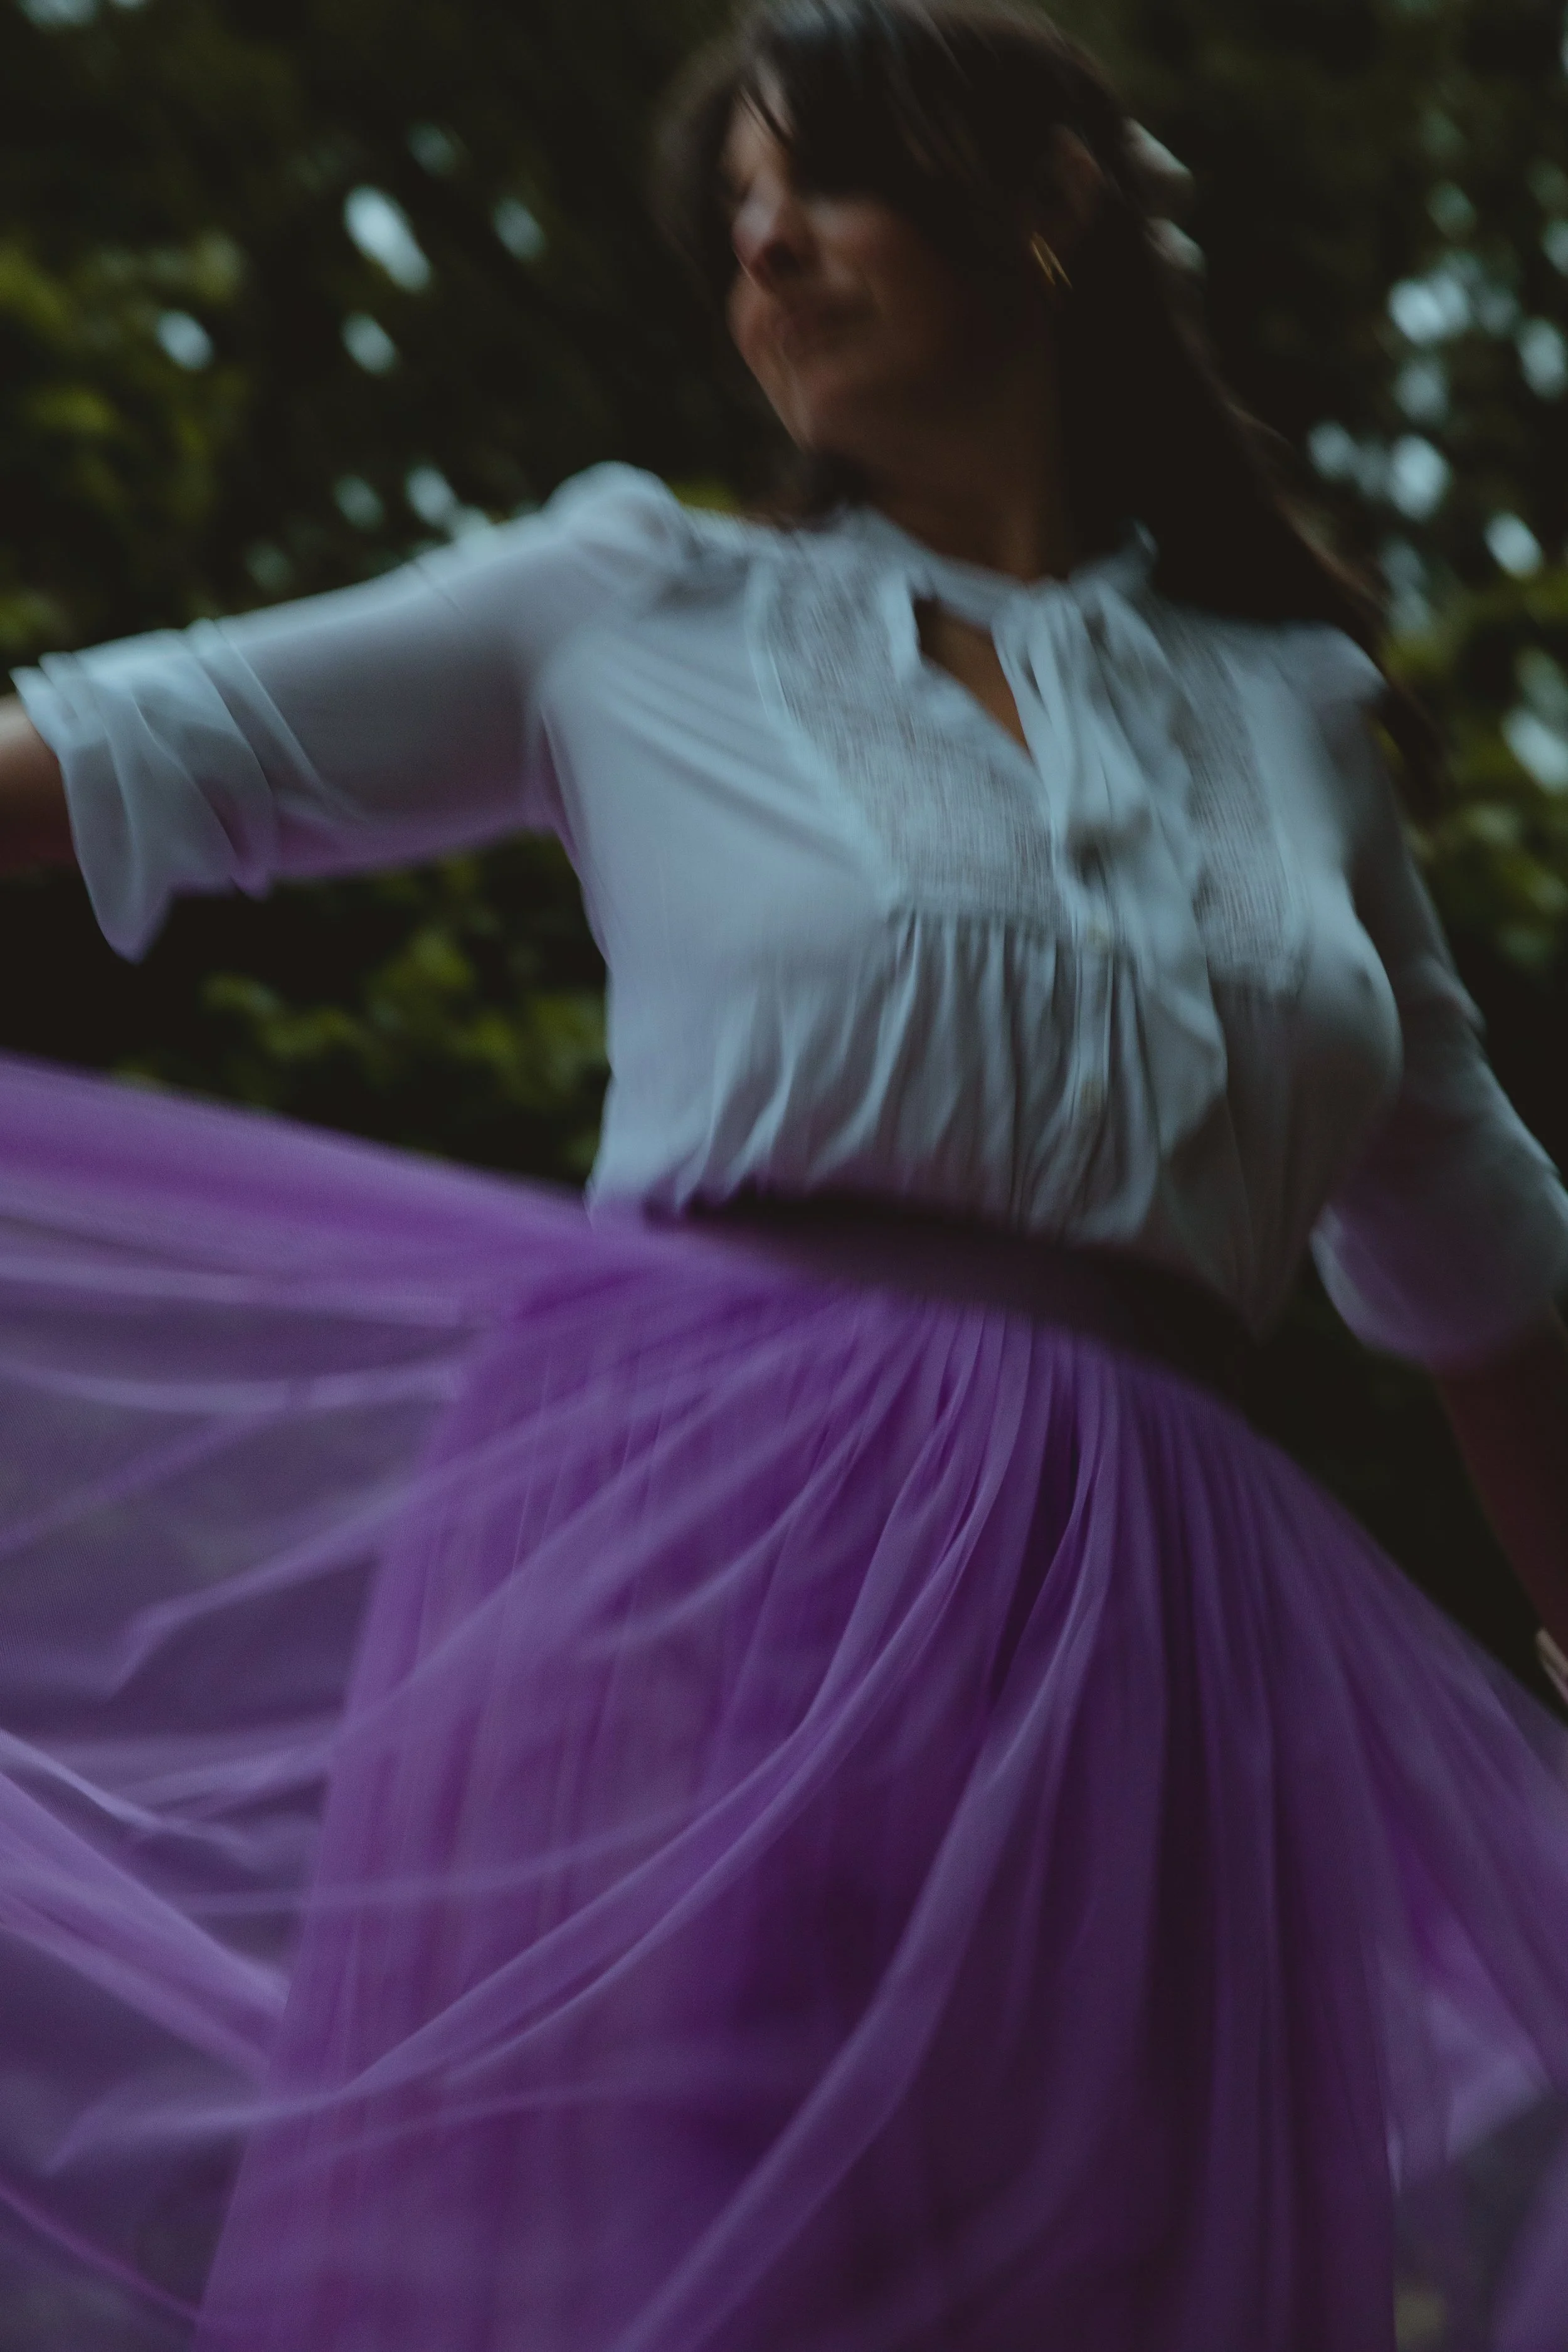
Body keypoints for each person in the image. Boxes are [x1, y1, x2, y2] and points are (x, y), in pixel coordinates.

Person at [1, 0, 1567, 2343]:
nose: (763, 251)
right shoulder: (631, 599)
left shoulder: (1300, 721)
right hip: (696, 1558)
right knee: (680, 2250)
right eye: (732, 219)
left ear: (1037, 209)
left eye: (814, 185)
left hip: (1138, 1616)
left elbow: (1481, 1264)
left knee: (1078, 2273)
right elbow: (137, 747)